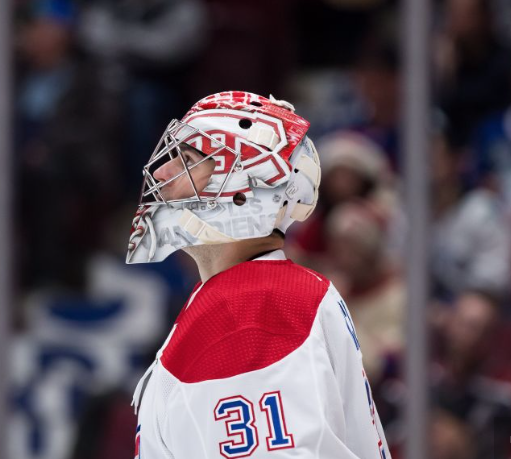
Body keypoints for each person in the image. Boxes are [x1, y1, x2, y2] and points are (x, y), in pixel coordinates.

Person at [126, 91, 391, 458]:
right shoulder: (256, 294)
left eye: (187, 159)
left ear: (245, 188)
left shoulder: (250, 307)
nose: (161, 172)